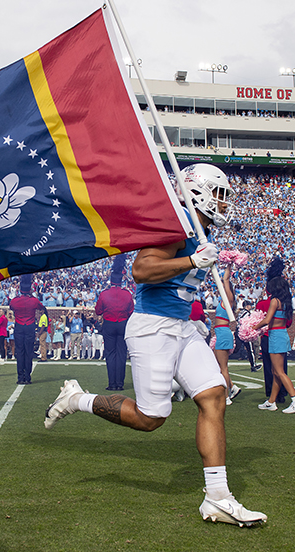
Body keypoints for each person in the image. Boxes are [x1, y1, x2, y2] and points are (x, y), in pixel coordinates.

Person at [44, 163, 266, 527]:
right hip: (153, 329)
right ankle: (76, 399)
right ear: (199, 192)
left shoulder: (199, 230)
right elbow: (142, 270)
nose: (225, 205)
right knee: (151, 419)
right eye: (220, 195)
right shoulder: (177, 224)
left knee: (214, 395)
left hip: (181, 326)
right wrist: (193, 259)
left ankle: (218, 498)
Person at [254, 257, 295, 414]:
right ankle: (271, 401)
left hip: (275, 336)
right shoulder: (286, 301)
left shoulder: (274, 301)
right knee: (277, 371)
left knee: (279, 371)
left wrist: (254, 326)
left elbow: (267, 320)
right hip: (283, 334)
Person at [95, 254, 134, 389]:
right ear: (121, 281)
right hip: (123, 323)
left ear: (111, 281)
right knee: (122, 354)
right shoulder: (127, 293)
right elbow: (131, 311)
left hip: (109, 324)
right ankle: (120, 384)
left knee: (110, 354)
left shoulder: (104, 294)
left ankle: (112, 383)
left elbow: (98, 311)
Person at [211, 264, 240, 405]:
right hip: (221, 333)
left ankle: (226, 397)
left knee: (223, 367)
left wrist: (229, 264)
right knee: (219, 365)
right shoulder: (225, 300)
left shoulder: (228, 299)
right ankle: (233, 387)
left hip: (223, 333)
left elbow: (226, 279)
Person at [9, 274, 44, 384]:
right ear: (29, 289)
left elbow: (11, 307)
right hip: (29, 326)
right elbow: (41, 307)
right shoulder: (33, 300)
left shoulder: (15, 301)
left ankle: (20, 377)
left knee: (20, 352)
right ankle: (27, 377)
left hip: (19, 326)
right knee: (29, 352)